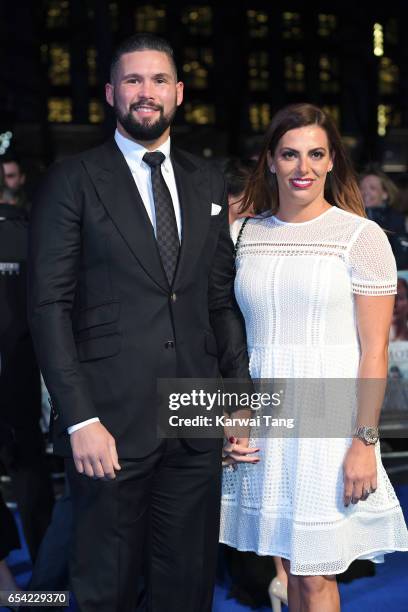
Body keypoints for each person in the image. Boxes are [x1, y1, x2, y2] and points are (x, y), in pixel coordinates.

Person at [28, 33, 255, 612]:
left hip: (195, 411)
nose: (145, 92)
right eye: (132, 80)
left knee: (188, 582)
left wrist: (238, 400)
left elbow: (218, 300)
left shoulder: (207, 181)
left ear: (178, 93)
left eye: (158, 80)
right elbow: (48, 305)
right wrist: (79, 417)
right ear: (110, 93)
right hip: (109, 418)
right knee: (106, 585)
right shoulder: (73, 179)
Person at [220, 103, 408, 611]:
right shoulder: (246, 236)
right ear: (271, 161)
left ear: (331, 163)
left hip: (329, 424)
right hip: (264, 421)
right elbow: (231, 339)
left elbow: (374, 353)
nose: (302, 167)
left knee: (315, 577)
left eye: (315, 154)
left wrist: (365, 442)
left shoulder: (360, 238)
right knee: (286, 570)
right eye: (290, 154)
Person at [0, 164, 54, 565]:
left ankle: (37, 588)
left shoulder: (32, 232)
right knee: (32, 481)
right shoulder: (34, 232)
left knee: (32, 480)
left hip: (22, 375)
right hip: (23, 375)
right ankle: (45, 583)